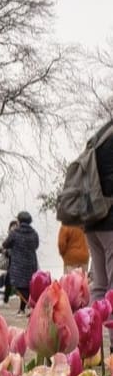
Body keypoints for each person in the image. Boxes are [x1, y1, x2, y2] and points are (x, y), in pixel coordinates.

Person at [86, 128, 113, 299]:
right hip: (109, 220)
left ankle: (91, 325)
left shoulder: (100, 136)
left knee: (100, 285)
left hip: (91, 219)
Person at [3, 212, 40, 309]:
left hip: (18, 265)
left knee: (19, 286)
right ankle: (24, 308)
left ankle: (31, 305)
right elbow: (36, 245)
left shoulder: (14, 233)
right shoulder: (34, 233)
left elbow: (5, 244)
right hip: (30, 263)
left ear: (19, 221)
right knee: (28, 286)